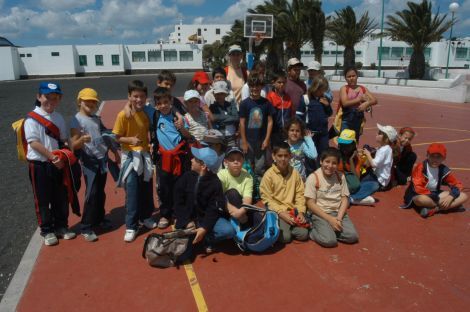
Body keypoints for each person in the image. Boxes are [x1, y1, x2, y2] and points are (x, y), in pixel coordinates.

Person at [24, 82, 76, 246]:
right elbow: (33, 143)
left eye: (55, 98)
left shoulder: (58, 117)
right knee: (42, 199)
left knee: (60, 196)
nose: (51, 101)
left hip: (58, 163)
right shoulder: (31, 119)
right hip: (40, 164)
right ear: (39, 97)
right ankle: (47, 230)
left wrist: (69, 153)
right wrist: (52, 158)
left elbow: (63, 139)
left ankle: (61, 226)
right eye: (47, 97)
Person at [70, 88, 119, 242]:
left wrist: (114, 152)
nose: (91, 103)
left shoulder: (96, 119)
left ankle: (99, 218)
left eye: (93, 101)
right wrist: (81, 141)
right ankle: (86, 226)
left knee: (100, 192)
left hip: (102, 160)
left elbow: (105, 136)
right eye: (87, 101)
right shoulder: (76, 120)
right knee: (91, 193)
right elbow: (73, 145)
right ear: (80, 102)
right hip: (90, 162)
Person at [113, 80, 156, 242]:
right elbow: (116, 138)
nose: (139, 99)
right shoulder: (123, 115)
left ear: (146, 98)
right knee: (132, 191)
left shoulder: (145, 112)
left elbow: (148, 131)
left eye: (142, 96)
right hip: (130, 157)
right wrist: (129, 139)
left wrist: (150, 144)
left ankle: (146, 217)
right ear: (129, 96)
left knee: (146, 188)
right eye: (135, 96)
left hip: (144, 155)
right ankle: (131, 225)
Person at [145, 87, 191, 229]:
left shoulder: (179, 117)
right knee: (164, 188)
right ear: (156, 105)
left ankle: (177, 215)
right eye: (160, 103)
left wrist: (181, 126)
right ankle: (165, 214)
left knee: (179, 188)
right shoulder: (155, 115)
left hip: (179, 158)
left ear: (171, 101)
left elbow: (188, 136)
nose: (163, 105)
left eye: (166, 102)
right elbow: (138, 106)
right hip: (163, 158)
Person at [174, 147, 231, 256]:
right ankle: (194, 235)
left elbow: (213, 209)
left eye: (195, 159)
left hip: (204, 219)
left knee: (228, 231)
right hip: (189, 219)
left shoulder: (215, 183)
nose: (191, 160)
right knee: (183, 253)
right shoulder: (186, 177)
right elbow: (177, 202)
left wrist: (204, 228)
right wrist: (186, 221)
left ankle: (207, 239)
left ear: (203, 166)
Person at [305, 147, 359, 247]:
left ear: (338, 165)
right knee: (329, 241)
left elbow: (344, 199)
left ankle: (329, 230)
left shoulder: (340, 176)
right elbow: (310, 204)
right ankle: (312, 230)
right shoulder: (313, 178)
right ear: (321, 161)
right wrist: (330, 219)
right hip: (320, 214)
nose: (330, 166)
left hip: (337, 213)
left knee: (352, 237)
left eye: (334, 163)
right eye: (327, 161)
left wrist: (338, 219)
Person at [260, 142, 309, 243]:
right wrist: (281, 213)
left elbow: (300, 194)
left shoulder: (295, 173)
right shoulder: (268, 175)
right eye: (280, 156)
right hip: (278, 212)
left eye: (286, 156)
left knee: (304, 235)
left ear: (290, 156)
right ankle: (282, 227)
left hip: (293, 211)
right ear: (274, 156)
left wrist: (300, 212)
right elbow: (267, 199)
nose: (283, 159)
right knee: (285, 238)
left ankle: (290, 228)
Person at [402, 143, 468, 218]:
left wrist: (451, 196)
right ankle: (449, 206)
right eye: (432, 156)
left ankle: (434, 209)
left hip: (435, 194)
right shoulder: (421, 167)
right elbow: (418, 188)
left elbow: (457, 184)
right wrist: (439, 199)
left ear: (444, 158)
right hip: (419, 194)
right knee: (420, 199)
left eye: (439, 157)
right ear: (427, 155)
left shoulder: (443, 169)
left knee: (464, 196)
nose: (435, 159)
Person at [239, 72, 275, 186]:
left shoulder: (266, 103)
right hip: (248, 141)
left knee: (260, 167)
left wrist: (267, 139)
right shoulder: (244, 104)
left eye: (257, 86)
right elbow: (242, 123)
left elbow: (270, 122)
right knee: (247, 166)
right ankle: (248, 186)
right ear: (249, 86)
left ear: (261, 87)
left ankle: (259, 187)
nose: (255, 88)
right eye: (252, 86)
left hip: (261, 140)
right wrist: (244, 141)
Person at [351, 124, 397, 205]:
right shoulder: (385, 148)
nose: (376, 134)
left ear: (386, 139)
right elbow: (377, 151)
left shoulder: (384, 150)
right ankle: (358, 197)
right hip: (375, 175)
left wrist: (368, 154)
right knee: (360, 183)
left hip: (379, 180)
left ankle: (353, 198)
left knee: (366, 186)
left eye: (379, 133)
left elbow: (374, 164)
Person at [296, 76, 333, 157]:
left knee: (324, 155)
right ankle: (311, 170)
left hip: (323, 134)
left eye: (324, 89)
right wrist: (304, 129)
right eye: (322, 89)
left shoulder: (324, 98)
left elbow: (329, 113)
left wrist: (327, 105)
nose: (323, 92)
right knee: (311, 157)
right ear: (315, 87)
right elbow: (298, 116)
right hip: (311, 134)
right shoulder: (305, 98)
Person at [339, 66, 377, 141]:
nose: (351, 78)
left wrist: (366, 104)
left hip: (358, 119)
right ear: (345, 78)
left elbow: (375, 100)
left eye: (353, 76)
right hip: (346, 119)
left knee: (355, 140)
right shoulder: (344, 88)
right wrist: (359, 99)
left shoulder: (362, 88)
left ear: (357, 76)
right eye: (349, 76)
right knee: (344, 141)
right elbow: (345, 103)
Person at [217, 147, 253, 224]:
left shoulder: (248, 176)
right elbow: (218, 196)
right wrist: (235, 212)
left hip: (241, 209)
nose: (236, 162)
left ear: (243, 161)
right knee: (232, 193)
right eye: (232, 159)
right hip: (225, 208)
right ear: (226, 162)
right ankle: (243, 223)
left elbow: (247, 199)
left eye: (239, 159)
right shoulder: (221, 175)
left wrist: (240, 212)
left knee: (258, 218)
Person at [266, 69, 294, 144]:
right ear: (273, 83)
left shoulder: (288, 97)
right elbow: (268, 118)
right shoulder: (270, 97)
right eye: (279, 82)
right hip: (274, 132)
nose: (282, 84)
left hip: (286, 131)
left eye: (284, 82)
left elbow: (291, 114)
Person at [208, 81, 239, 147]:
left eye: (222, 93)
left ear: (226, 94)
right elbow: (213, 118)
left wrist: (220, 120)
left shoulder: (231, 105)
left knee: (231, 155)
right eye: (217, 93)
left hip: (232, 138)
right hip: (219, 138)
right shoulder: (212, 107)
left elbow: (236, 118)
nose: (219, 96)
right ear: (214, 94)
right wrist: (229, 117)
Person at [336, 129, 365, 196]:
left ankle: (348, 197)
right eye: (342, 145)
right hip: (337, 183)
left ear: (353, 145)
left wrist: (351, 160)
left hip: (347, 183)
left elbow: (356, 179)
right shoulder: (337, 157)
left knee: (373, 185)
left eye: (347, 145)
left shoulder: (356, 159)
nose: (344, 148)